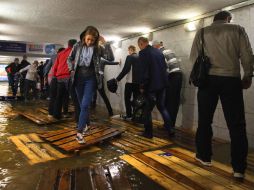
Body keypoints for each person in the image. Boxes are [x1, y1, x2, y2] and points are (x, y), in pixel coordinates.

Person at [190, 10, 253, 179]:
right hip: (231, 79)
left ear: (214, 20)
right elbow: (247, 55)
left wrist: (196, 78)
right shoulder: (237, 29)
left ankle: (204, 157)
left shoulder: (202, 32)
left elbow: (194, 58)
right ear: (228, 19)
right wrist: (247, 76)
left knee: (204, 120)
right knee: (237, 125)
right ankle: (239, 168)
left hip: (207, 80)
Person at [67, 26, 114, 144]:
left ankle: (79, 132)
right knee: (82, 105)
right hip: (78, 79)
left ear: (96, 40)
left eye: (92, 40)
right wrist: (71, 68)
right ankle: (87, 124)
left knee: (85, 105)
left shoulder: (98, 48)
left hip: (91, 79)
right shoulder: (77, 46)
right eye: (88, 39)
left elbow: (110, 58)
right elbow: (69, 58)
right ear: (84, 37)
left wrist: (106, 44)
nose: (89, 42)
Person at [137, 37, 174, 139]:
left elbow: (144, 71)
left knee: (147, 109)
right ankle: (170, 129)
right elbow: (164, 68)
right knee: (162, 107)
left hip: (151, 86)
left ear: (141, 44)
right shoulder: (158, 52)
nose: (139, 48)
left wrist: (142, 85)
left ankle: (148, 133)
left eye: (139, 46)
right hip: (162, 85)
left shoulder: (143, 53)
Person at [152, 40, 183, 129]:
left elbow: (165, 69)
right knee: (174, 102)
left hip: (172, 77)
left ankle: (168, 126)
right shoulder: (169, 50)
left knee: (167, 102)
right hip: (178, 76)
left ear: (155, 47)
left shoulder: (160, 53)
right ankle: (170, 125)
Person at [51, 39, 77, 119]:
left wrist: (54, 76)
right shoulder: (75, 52)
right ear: (75, 45)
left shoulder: (60, 53)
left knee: (60, 96)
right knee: (74, 97)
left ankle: (57, 115)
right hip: (69, 76)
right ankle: (78, 117)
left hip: (59, 78)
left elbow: (55, 66)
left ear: (68, 44)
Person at [116, 45, 140, 120]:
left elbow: (126, 69)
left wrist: (117, 79)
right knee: (137, 99)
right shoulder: (140, 57)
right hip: (138, 83)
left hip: (130, 82)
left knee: (127, 98)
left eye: (128, 50)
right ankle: (136, 116)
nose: (128, 52)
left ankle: (129, 115)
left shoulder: (130, 57)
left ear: (130, 50)